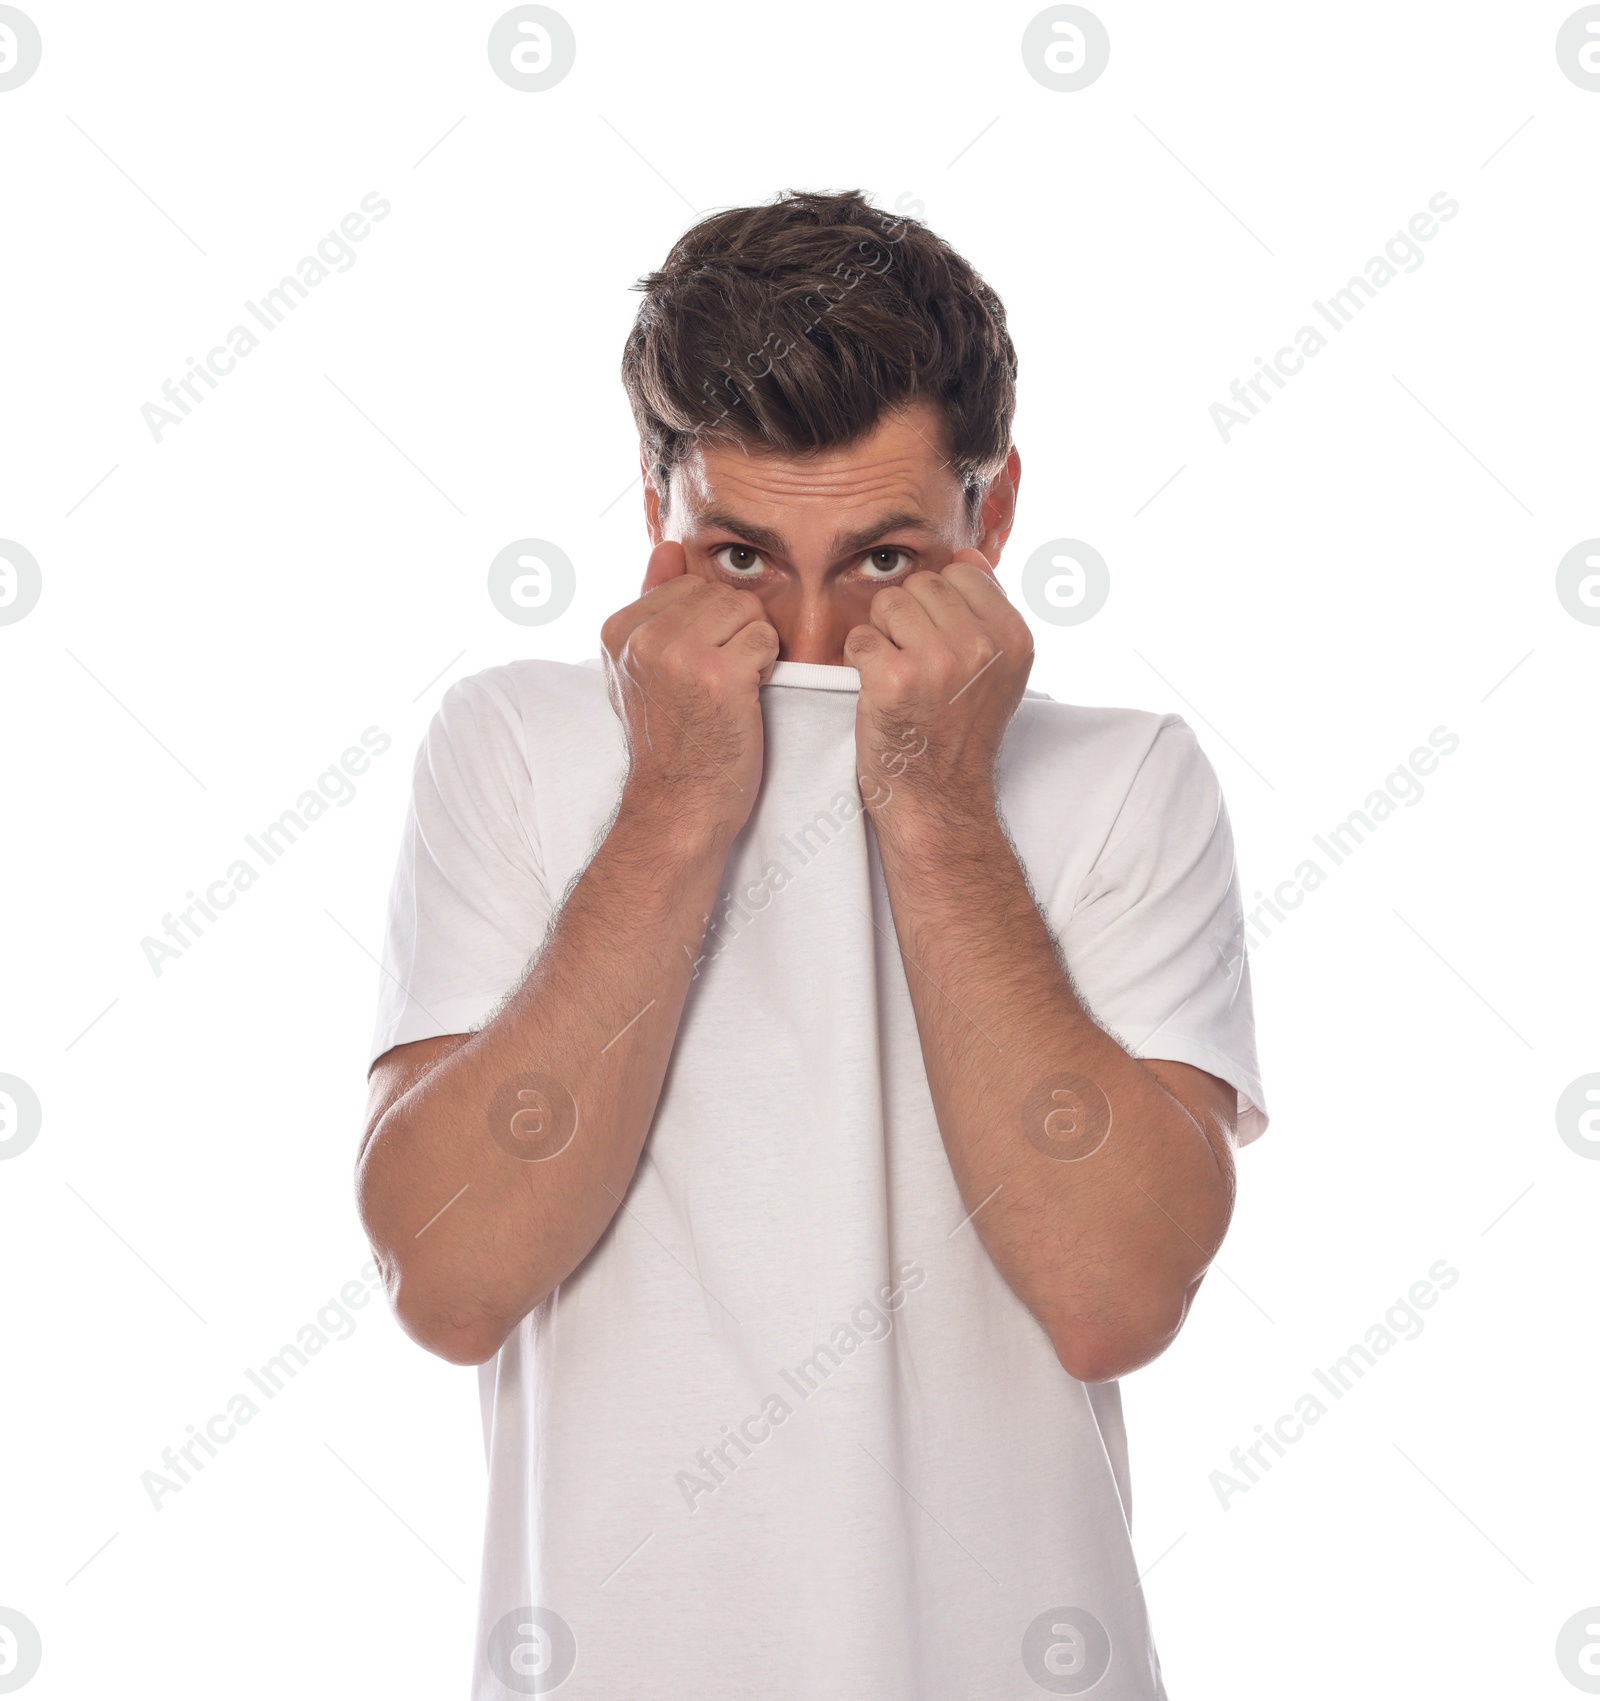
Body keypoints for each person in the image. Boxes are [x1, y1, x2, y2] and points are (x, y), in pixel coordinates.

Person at [356, 188, 1267, 1700]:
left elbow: (1115, 1295)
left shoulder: (1126, 780)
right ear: (657, 506)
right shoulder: (514, 743)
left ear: (996, 508)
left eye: (886, 561)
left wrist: (935, 808)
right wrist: (676, 807)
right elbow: (450, 1277)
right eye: (741, 557)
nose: (816, 640)